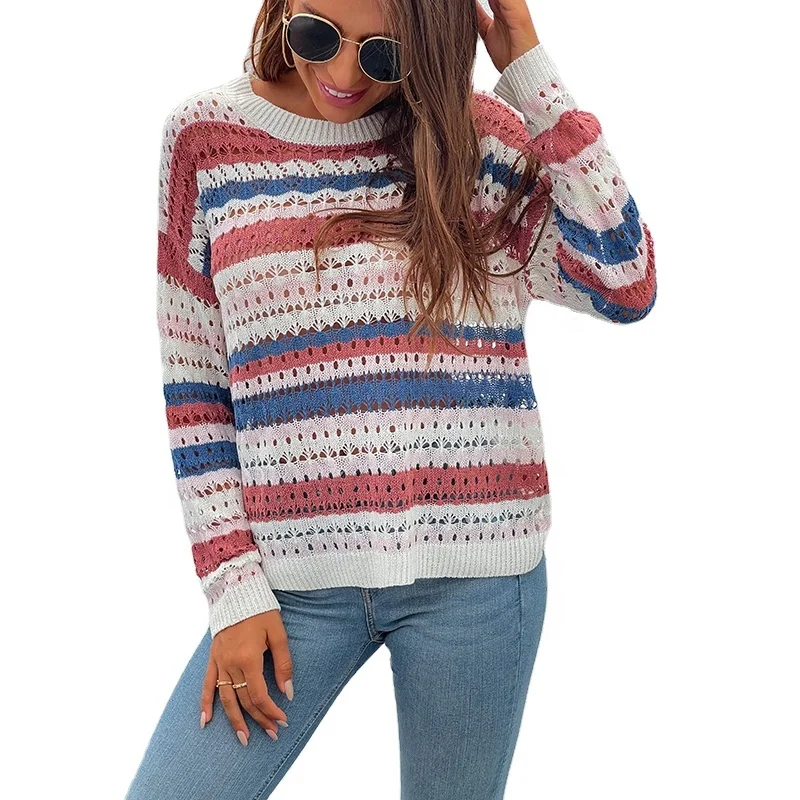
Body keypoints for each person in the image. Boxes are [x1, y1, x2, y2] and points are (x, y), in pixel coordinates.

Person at [125, 0, 656, 797]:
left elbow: (625, 282)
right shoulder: (207, 141)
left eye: (384, 57)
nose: (343, 74)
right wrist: (232, 590)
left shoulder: (479, 144)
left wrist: (530, 72)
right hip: (291, 588)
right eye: (316, 35)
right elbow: (195, 386)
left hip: (478, 578)